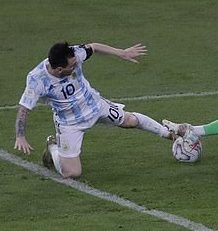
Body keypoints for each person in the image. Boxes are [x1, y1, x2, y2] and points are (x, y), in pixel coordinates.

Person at [14, 42, 172, 178]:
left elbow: (94, 47)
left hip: (95, 105)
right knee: (72, 173)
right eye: (72, 66)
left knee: (130, 121)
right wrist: (20, 136)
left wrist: (121, 53)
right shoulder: (37, 80)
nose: (76, 65)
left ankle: (169, 134)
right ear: (60, 70)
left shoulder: (75, 53)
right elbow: (24, 108)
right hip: (70, 123)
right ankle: (52, 148)